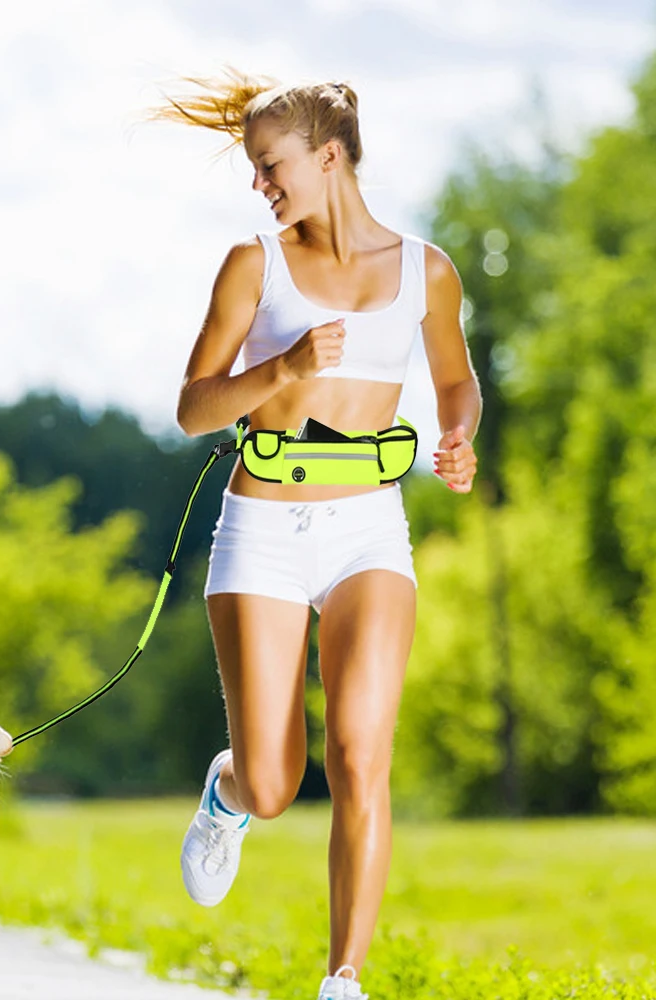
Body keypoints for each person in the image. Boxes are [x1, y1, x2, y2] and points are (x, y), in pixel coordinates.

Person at [154, 71, 481, 1000]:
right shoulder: (252, 264)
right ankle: (229, 796)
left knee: (359, 756)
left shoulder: (428, 270)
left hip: (369, 529)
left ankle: (344, 980)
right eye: (258, 170)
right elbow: (191, 408)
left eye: (272, 166)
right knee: (274, 783)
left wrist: (459, 436)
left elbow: (455, 381)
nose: (262, 185)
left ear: (328, 156)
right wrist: (284, 367)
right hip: (262, 526)